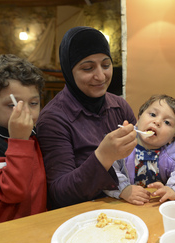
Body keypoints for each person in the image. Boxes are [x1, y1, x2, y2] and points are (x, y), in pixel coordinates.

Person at [36, 26, 137, 209]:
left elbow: (142, 157)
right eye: (88, 68)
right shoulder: (53, 119)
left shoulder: (119, 106)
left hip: (126, 207)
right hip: (80, 217)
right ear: (68, 70)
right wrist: (103, 156)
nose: (100, 76)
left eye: (106, 65)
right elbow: (59, 194)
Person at [104, 95, 175, 205]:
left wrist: (173, 189)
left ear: (173, 136)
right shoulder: (122, 144)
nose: (157, 122)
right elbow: (106, 169)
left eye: (167, 122)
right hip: (124, 204)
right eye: (153, 114)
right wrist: (123, 189)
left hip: (157, 204)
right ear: (138, 120)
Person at [0, 54, 47, 223]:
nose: (26, 112)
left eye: (33, 103)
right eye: (13, 105)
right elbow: (13, 192)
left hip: (37, 227)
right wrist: (19, 141)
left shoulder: (35, 135)